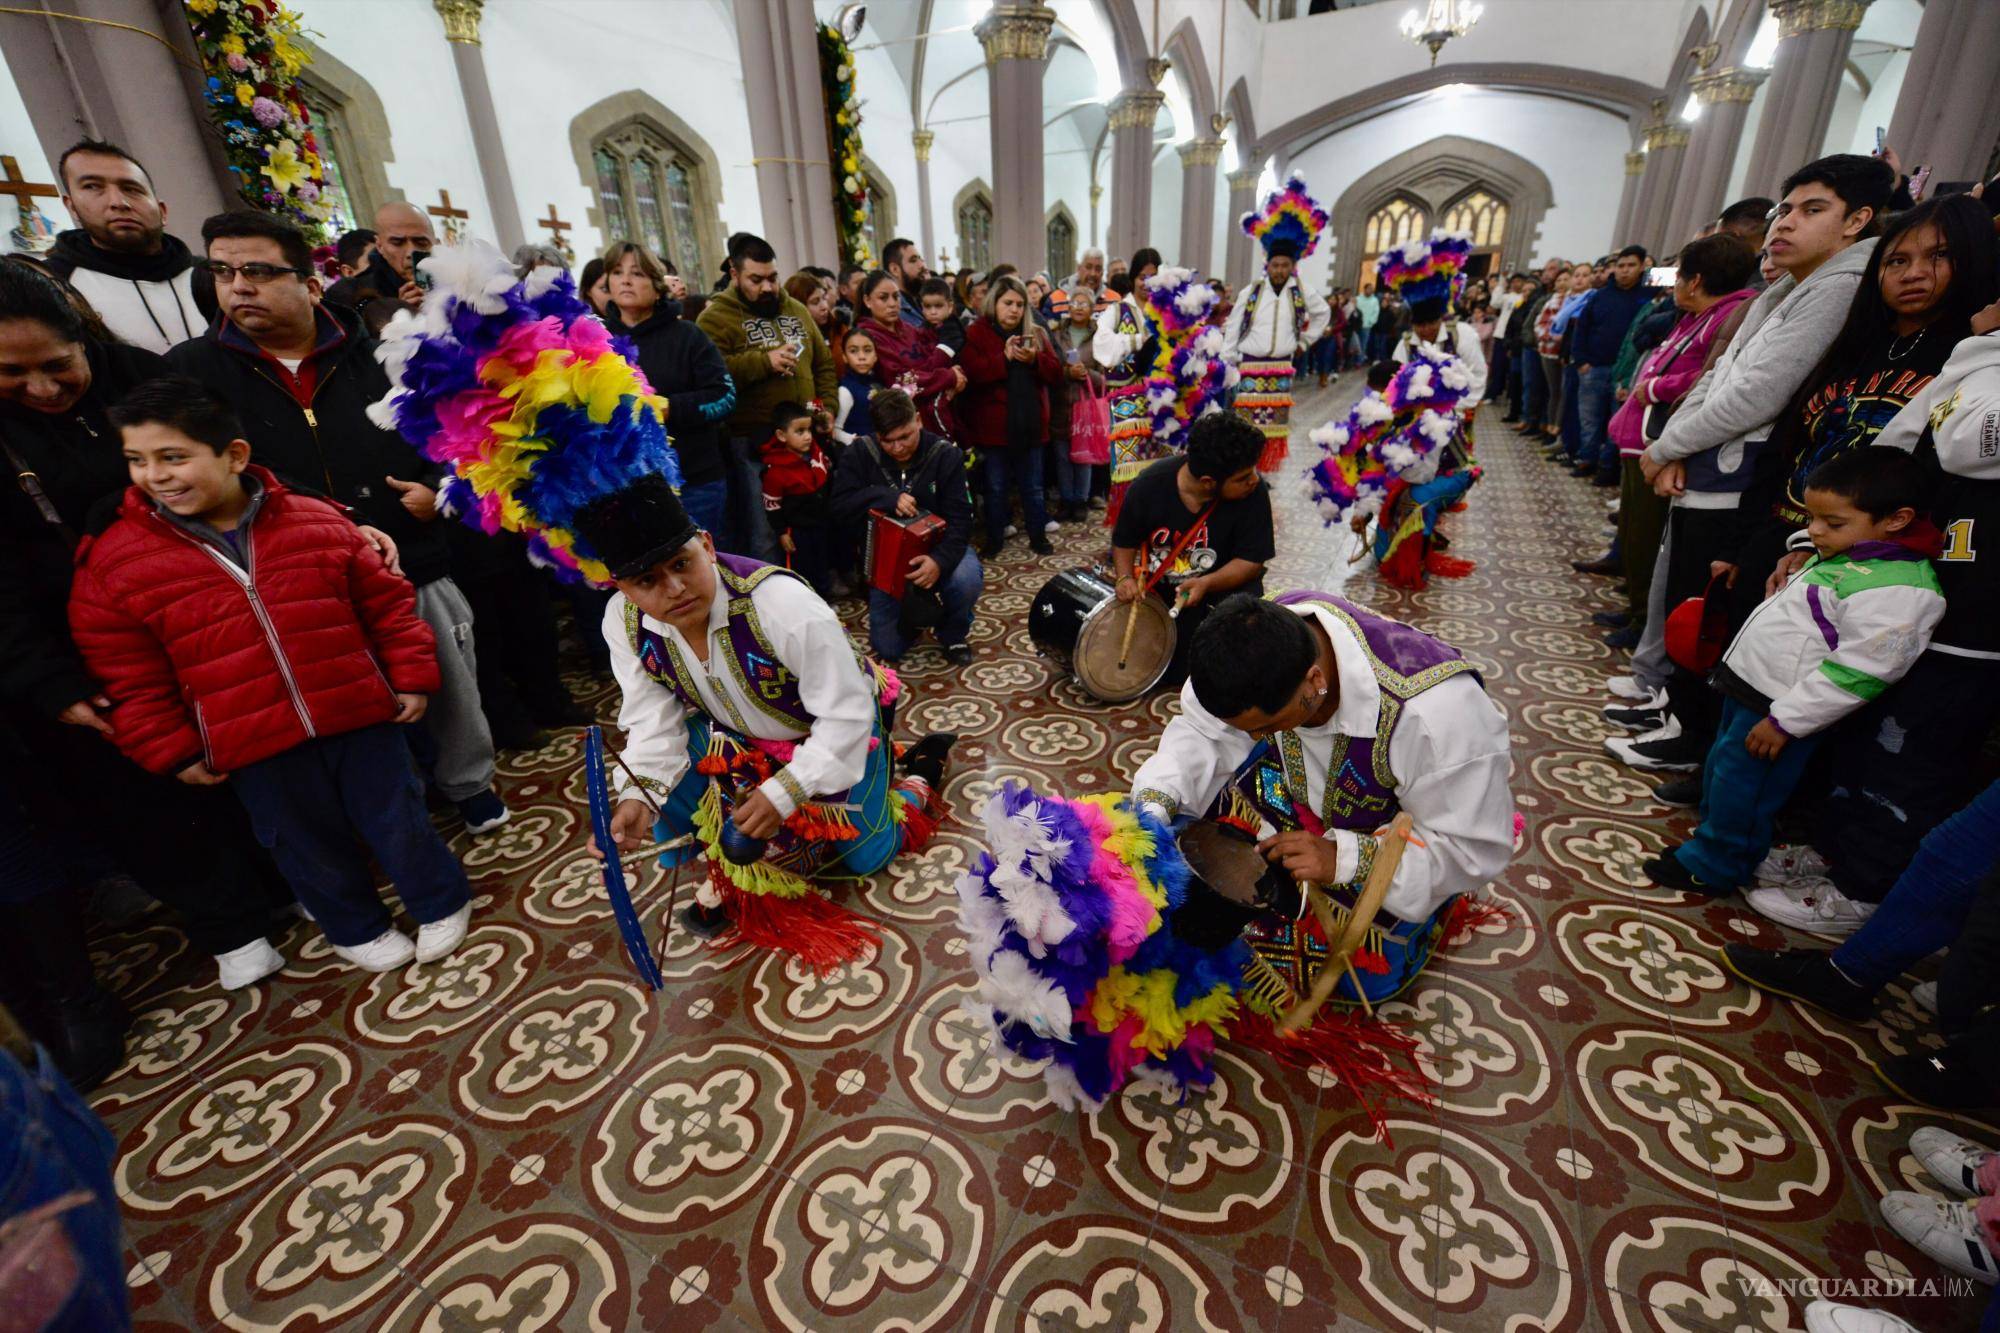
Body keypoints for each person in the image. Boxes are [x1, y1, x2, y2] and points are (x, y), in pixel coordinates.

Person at [0, 260, 309, 1067]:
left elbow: (235, 471)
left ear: (85, 338)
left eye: (56, 365)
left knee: (248, 753)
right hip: (73, 646)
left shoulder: (142, 380)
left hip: (199, 614)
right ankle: (226, 922)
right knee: (143, 795)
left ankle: (289, 883)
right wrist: (51, 683)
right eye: (11, 372)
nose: (40, 388)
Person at [71, 378, 472, 972]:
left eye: (173, 456)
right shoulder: (117, 561)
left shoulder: (316, 520)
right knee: (302, 843)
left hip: (358, 712)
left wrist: (410, 676)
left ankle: (439, 900)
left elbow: (386, 605)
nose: (155, 475)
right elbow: (127, 671)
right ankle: (355, 927)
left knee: (398, 815)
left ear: (233, 455)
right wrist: (173, 748)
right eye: (137, 460)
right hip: (251, 741)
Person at [165, 209, 510, 834]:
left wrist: (440, 490)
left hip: (411, 550)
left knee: (447, 681)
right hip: (290, 574)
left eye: (260, 271)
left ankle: (470, 784)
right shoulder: (193, 373)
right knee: (348, 703)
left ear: (310, 281)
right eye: (222, 271)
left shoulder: (383, 349)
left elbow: (456, 436)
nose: (239, 286)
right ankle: (392, 819)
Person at [580, 472, 956, 937]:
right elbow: (652, 722)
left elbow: (847, 714)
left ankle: (916, 776)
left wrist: (785, 792)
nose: (674, 588)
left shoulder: (781, 605)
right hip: (739, 731)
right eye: (647, 580)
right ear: (622, 589)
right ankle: (754, 834)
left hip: (842, 726)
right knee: (664, 783)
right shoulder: (624, 622)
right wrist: (637, 797)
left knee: (867, 857)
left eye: (682, 563)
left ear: (707, 545)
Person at [1623, 154, 1894, 777]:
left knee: (1712, 610)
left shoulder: (1837, 290)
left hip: (1741, 480)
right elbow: (1720, 375)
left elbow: (1758, 395)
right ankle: (1676, 715)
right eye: (1785, 210)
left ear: (1857, 220)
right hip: (1709, 464)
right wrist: (1677, 445)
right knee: (1688, 599)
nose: (1785, 225)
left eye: (1812, 210)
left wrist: (1667, 447)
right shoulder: (1789, 288)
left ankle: (1691, 741)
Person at [1642, 449, 1944, 895]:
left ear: (1897, 519)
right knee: (1724, 774)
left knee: (1747, 790)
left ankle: (1717, 865)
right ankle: (1708, 844)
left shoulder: (1900, 589)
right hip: (1753, 688)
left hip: (1781, 708)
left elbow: (1858, 673)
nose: (1815, 531)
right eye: (1813, 518)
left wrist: (1787, 721)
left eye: (1832, 523)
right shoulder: (1859, 551)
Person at [1129, 593, 1514, 929]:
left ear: (1315, 681)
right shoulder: (1247, 638)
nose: (1254, 739)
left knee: (1358, 970)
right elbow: (1204, 732)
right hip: (1300, 789)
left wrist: (1343, 859)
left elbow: (1469, 849)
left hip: (1392, 842)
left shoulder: (1436, 717)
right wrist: (1156, 804)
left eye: (1268, 726)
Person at [1600, 233, 1759, 699]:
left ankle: (1643, 631)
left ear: (1696, 280)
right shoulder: (1697, 315)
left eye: (1679, 275)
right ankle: (1635, 615)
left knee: (1648, 542)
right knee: (1633, 532)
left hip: (1666, 442)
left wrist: (1653, 388)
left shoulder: (1728, 314)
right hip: (1644, 440)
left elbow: (1705, 378)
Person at [695, 231, 836, 562]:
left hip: (805, 435)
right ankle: (769, 603)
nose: (768, 287)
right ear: (734, 274)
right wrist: (763, 362)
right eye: (756, 280)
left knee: (812, 519)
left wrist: (827, 406)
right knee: (766, 530)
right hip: (754, 442)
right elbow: (711, 378)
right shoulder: (715, 318)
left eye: (773, 277)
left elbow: (823, 364)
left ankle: (813, 588)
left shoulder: (797, 310)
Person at [1110, 413, 1274, 688]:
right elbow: (1124, 541)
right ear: (1209, 482)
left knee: (1237, 664)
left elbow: (1251, 561)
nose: (1254, 480)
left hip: (1225, 597)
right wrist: (1124, 578)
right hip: (1166, 599)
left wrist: (1206, 582)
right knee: (1159, 669)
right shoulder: (1149, 486)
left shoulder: (1253, 493)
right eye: (1244, 476)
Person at [829, 388, 980, 666]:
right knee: (888, 649)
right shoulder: (860, 453)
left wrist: (939, 561)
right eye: (888, 441)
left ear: (919, 421)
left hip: (939, 547)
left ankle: (953, 632)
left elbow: (962, 520)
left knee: (966, 578)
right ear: (875, 434)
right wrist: (884, 497)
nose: (898, 448)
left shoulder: (945, 455)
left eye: (905, 437)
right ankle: (917, 617)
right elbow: (839, 507)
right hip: (885, 559)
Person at [602, 241, 736, 541]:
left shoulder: (688, 336)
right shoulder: (598, 343)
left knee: (704, 570)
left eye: (636, 273)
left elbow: (724, 397)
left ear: (656, 284)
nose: (625, 280)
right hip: (626, 486)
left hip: (694, 482)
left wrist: (669, 408)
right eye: (616, 272)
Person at [44, 139, 203, 353]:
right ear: (71, 207)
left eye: (132, 189)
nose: (118, 202)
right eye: (93, 187)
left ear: (162, 210)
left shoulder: (209, 273)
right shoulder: (53, 286)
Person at [1226, 173, 1332, 472]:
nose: (1280, 269)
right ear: (1267, 264)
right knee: (1248, 423)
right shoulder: (1252, 292)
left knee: (1273, 424)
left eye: (1285, 265)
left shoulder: (1301, 291)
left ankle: (1266, 471)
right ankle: (1246, 468)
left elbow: (1323, 314)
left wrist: (1304, 341)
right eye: (1275, 264)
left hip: (1281, 365)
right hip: (1250, 364)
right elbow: (1234, 325)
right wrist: (1229, 359)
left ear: (1292, 266)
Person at [958, 275, 1063, 556]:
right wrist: (1002, 359)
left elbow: (1055, 371)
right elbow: (972, 373)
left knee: (1033, 488)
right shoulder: (977, 332)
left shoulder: (1035, 331)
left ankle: (1038, 536)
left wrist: (1035, 360)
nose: (1014, 310)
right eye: (1008, 303)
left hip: (1030, 425)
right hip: (994, 428)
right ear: (995, 303)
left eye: (1019, 304)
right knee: (995, 488)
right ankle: (994, 540)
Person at [1568, 245, 1655, 484]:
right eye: (1620, 266)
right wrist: (1581, 360)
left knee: (1617, 422)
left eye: (1631, 266)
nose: (1625, 271)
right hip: (1594, 368)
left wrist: (1652, 270)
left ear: (1642, 267)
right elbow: (1582, 329)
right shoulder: (1600, 295)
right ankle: (1587, 459)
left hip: (1625, 373)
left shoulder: (1649, 292)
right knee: (1589, 418)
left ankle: (1608, 467)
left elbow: (1681, 272)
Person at [854, 269, 962, 439]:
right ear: (867, 300)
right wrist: (949, 377)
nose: (892, 303)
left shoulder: (910, 329)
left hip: (939, 413)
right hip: (906, 427)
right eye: (883, 298)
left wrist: (955, 373)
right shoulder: (865, 338)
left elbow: (934, 357)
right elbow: (900, 380)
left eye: (896, 297)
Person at [323, 200, 434, 334]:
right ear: (380, 246)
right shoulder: (348, 294)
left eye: (421, 242)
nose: (411, 252)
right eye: (398, 243)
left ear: (435, 243)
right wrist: (396, 315)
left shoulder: (458, 284)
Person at [761, 401, 835, 595]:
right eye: (800, 432)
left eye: (809, 430)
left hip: (821, 523)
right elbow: (772, 506)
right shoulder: (775, 471)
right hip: (798, 532)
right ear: (781, 435)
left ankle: (825, 600)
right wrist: (782, 532)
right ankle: (808, 604)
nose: (808, 436)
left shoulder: (816, 454)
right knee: (803, 571)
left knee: (822, 564)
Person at [1046, 292, 1103, 521]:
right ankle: (1066, 499)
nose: (1078, 307)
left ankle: (1081, 500)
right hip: (1060, 403)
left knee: (1084, 457)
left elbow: (1105, 376)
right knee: (1062, 456)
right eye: (1074, 303)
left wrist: (1086, 373)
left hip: (1085, 406)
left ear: (1092, 308)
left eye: (1084, 304)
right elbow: (1049, 367)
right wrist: (1066, 372)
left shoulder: (1099, 337)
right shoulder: (1056, 333)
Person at [831, 327, 879, 446]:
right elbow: (835, 430)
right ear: (844, 357)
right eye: (853, 351)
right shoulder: (845, 390)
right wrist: (854, 440)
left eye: (867, 350)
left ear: (876, 356)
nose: (861, 356)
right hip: (859, 454)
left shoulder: (878, 384)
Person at [881, 237, 929, 328]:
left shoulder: (923, 301)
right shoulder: (893, 312)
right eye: (913, 260)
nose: (922, 265)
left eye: (920, 259)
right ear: (895, 269)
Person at [918, 276, 966, 354]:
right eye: (927, 306)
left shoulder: (952, 330)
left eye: (938, 306)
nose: (933, 312)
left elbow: (941, 358)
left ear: (950, 307)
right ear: (922, 307)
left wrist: (922, 366)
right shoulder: (923, 327)